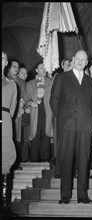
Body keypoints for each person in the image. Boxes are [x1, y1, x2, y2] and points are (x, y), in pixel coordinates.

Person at [50, 50, 92, 204]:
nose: (80, 61)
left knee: (84, 160)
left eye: (84, 60)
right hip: (67, 124)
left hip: (85, 125)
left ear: (87, 63)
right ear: (73, 60)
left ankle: (83, 195)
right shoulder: (62, 77)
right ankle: (65, 195)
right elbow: (54, 100)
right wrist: (63, 118)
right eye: (78, 59)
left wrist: (87, 121)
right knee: (66, 160)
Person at [24, 62, 53, 162]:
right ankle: (34, 157)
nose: (44, 70)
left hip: (47, 111)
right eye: (41, 68)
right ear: (36, 70)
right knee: (35, 133)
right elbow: (26, 98)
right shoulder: (30, 83)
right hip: (35, 111)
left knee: (46, 132)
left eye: (45, 68)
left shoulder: (51, 82)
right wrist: (31, 103)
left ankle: (45, 157)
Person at [2, 51, 18, 219]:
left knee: (6, 157)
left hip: (4, 121)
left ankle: (5, 206)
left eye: (3, 59)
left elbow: (12, 110)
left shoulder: (11, 84)